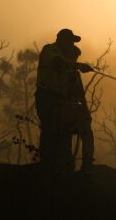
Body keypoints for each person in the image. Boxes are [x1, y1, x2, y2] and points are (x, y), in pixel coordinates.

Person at [35, 28, 94, 172]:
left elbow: (77, 94)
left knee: (65, 133)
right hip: (47, 98)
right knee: (50, 132)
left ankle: (76, 166)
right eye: (70, 41)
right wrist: (77, 65)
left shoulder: (70, 68)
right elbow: (57, 63)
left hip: (61, 101)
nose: (72, 45)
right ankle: (48, 165)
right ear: (61, 40)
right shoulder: (50, 50)